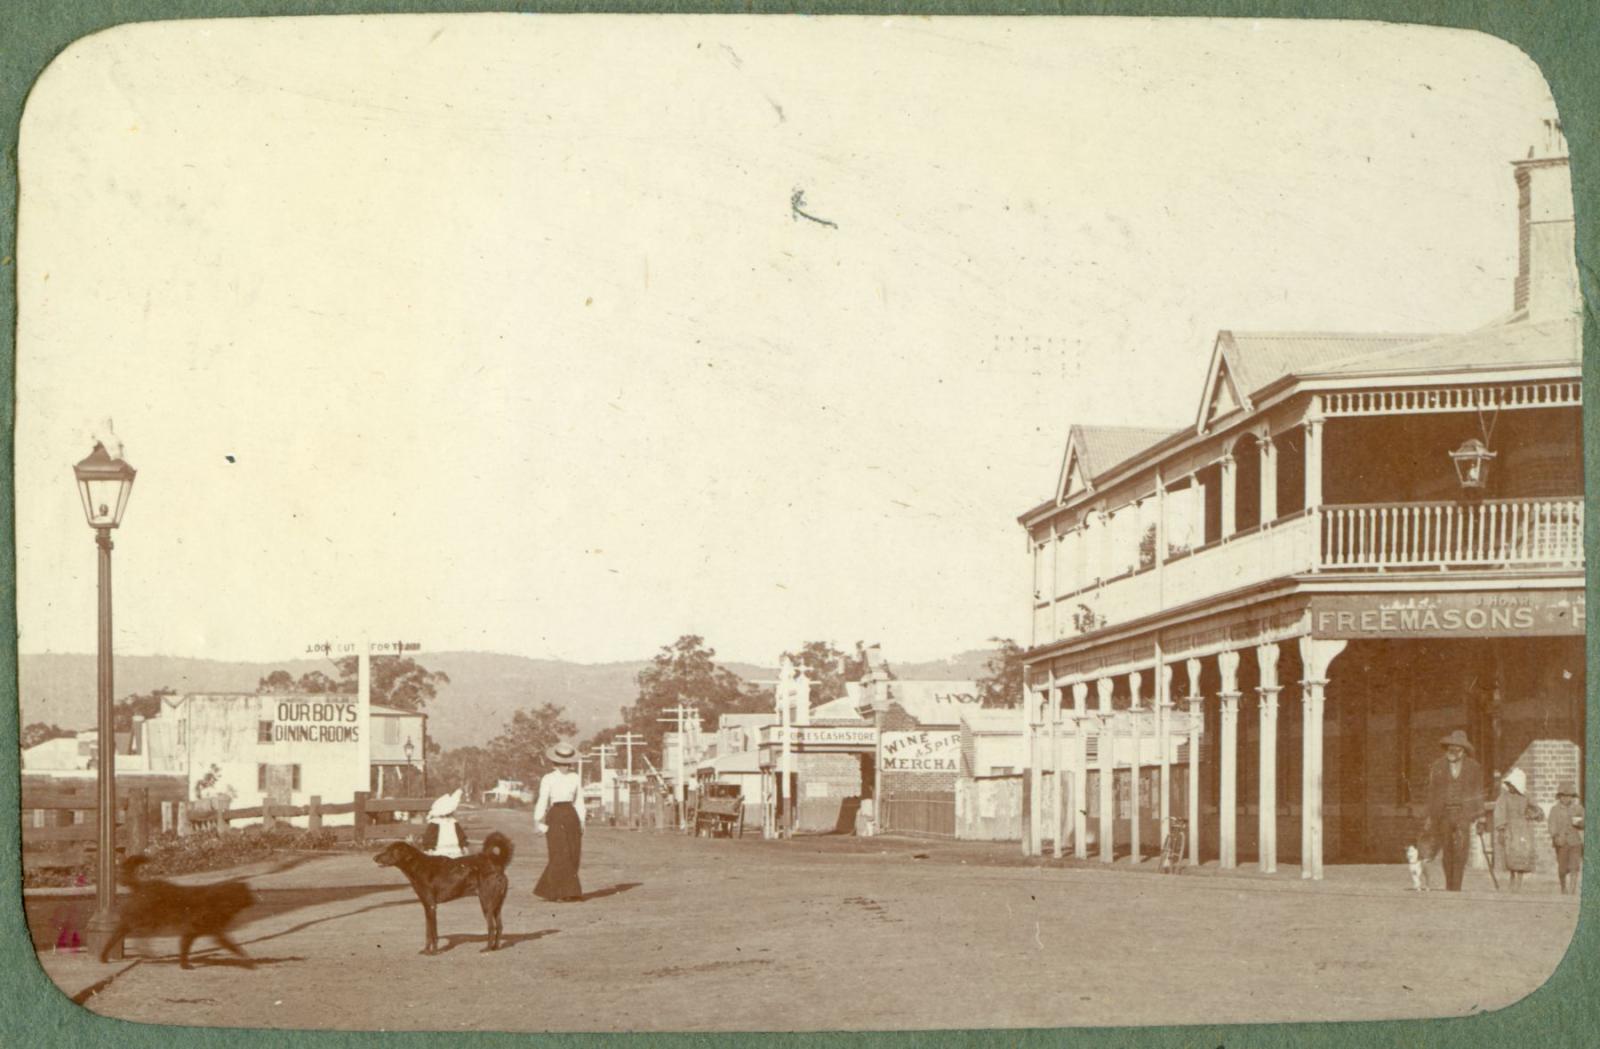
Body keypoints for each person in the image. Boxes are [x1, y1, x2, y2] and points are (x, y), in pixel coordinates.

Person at [1425, 729, 1486, 892]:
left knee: (1461, 850)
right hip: (1443, 814)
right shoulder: (1438, 766)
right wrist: (1430, 817)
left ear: (1463, 751)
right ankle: (1449, 886)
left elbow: (1478, 793)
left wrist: (1481, 818)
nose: (1451, 751)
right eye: (1449, 748)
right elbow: (1432, 793)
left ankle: (1457, 887)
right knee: (1447, 850)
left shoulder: (1474, 767)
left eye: (1456, 749)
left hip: (1463, 815)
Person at [533, 743, 585, 901]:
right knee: (559, 854)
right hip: (555, 815)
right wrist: (537, 820)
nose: (564, 766)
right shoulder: (548, 778)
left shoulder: (575, 777)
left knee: (573, 852)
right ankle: (562, 892)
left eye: (567, 763)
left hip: (571, 815)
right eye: (561, 763)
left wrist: (582, 820)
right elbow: (543, 799)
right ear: (555, 763)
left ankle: (560, 891)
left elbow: (579, 800)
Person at [1492, 768, 1542, 892]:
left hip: (1523, 829)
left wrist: (1532, 815)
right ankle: (1512, 878)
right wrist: (1501, 829)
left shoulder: (1525, 797)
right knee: (1511, 854)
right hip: (1510, 829)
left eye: (1512, 785)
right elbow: (1500, 812)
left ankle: (1519, 882)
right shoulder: (1504, 797)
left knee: (1522, 854)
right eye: (1509, 785)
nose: (1510, 788)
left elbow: (1538, 810)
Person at [1549, 780, 1583, 896]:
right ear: (1560, 797)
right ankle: (1563, 887)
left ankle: (1572, 890)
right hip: (1561, 842)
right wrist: (1555, 836)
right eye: (1564, 796)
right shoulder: (1555, 810)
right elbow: (1551, 824)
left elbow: (1585, 822)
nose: (1567, 798)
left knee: (1574, 866)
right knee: (1562, 869)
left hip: (1575, 842)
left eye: (1570, 796)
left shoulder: (1578, 808)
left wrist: (1580, 823)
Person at [421, 788, 468, 859]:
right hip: (439, 851)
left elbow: (460, 835)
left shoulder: (453, 822)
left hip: (454, 851)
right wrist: (429, 847)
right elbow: (429, 836)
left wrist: (463, 846)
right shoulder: (435, 823)